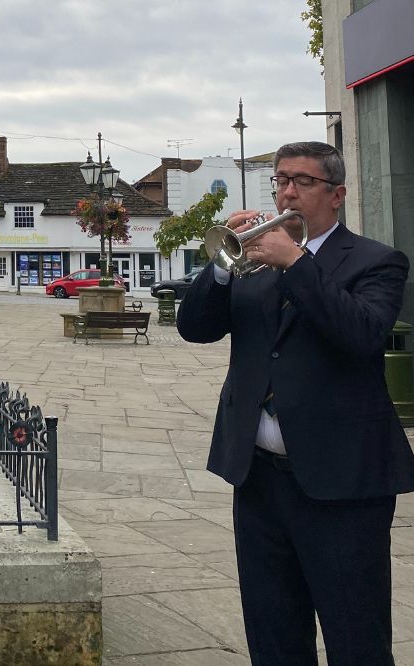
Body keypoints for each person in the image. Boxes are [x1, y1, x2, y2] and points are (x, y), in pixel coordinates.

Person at [177, 141, 414, 665]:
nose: (287, 191)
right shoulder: (255, 260)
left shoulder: (377, 261)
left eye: (303, 182)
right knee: (273, 630)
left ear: (337, 195)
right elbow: (195, 329)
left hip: (343, 483)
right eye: (281, 180)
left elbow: (362, 334)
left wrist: (298, 261)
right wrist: (221, 264)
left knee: (356, 633)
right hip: (258, 477)